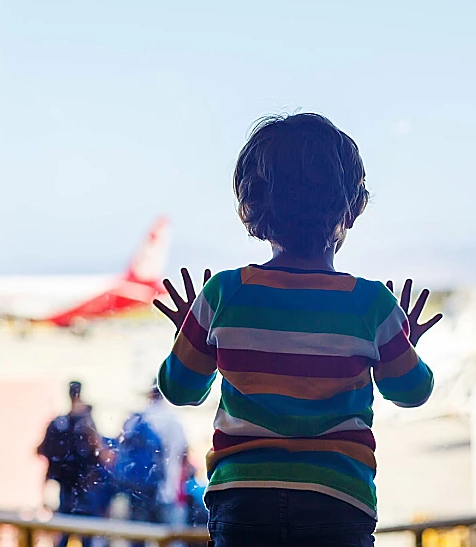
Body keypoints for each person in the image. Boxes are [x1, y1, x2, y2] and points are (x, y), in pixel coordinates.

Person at [152, 113, 442, 547]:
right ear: (351, 207)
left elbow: (181, 389)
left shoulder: (223, 294)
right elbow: (412, 391)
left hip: (243, 504)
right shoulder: (372, 303)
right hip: (337, 504)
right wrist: (405, 347)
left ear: (253, 208)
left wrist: (187, 335)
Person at [37, 381, 112, 547]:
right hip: (82, 488)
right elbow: (101, 453)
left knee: (67, 532)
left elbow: (44, 452)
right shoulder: (82, 423)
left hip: (69, 487)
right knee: (83, 534)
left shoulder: (61, 423)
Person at [115, 381, 188, 546]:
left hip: (138, 489)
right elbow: (181, 457)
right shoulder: (173, 420)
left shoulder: (138, 419)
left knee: (139, 537)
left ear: (149, 394)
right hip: (166, 490)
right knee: (169, 538)